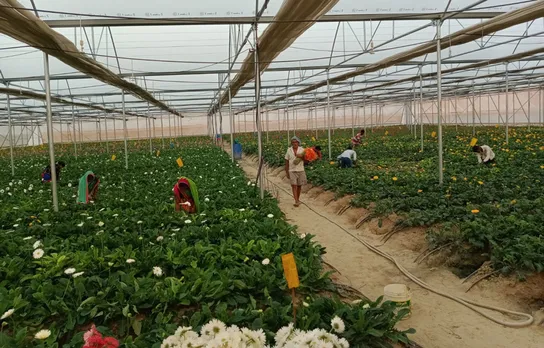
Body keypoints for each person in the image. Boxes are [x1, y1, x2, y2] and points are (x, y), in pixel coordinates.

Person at [285, 136, 306, 207]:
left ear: (298, 142)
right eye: (293, 142)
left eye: (296, 142)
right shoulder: (289, 150)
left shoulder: (302, 150)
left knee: (299, 185)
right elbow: (287, 161)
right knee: (294, 185)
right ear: (291, 143)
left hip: (300, 169)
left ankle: (298, 199)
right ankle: (296, 201)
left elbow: (306, 159)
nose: (294, 143)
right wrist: (287, 171)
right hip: (292, 170)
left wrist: (301, 156)